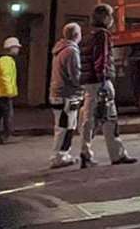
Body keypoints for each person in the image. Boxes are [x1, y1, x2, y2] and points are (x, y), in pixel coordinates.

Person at [78, 4, 137, 168]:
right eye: (111, 16)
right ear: (105, 18)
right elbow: (101, 58)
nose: (113, 20)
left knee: (89, 119)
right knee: (110, 118)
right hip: (100, 82)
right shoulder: (102, 35)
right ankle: (117, 154)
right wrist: (103, 79)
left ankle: (86, 152)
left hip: (89, 83)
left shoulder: (88, 35)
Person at [48, 22, 82, 169]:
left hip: (57, 93)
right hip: (66, 95)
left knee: (66, 126)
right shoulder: (71, 51)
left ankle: (63, 154)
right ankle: (58, 156)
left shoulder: (59, 50)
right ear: (76, 35)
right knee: (65, 127)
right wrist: (82, 86)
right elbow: (75, 75)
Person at [0, 36, 21, 144]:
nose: (18, 49)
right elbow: (5, 77)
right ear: (11, 48)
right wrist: (9, 92)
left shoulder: (3, 59)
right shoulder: (6, 60)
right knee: (7, 115)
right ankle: (6, 135)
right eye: (16, 47)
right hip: (3, 93)